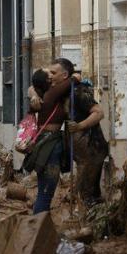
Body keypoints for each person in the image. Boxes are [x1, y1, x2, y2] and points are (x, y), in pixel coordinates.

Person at [24, 58, 79, 214]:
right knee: (46, 194)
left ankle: (39, 230)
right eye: (50, 75)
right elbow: (74, 79)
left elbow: (31, 88)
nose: (52, 77)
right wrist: (75, 77)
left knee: (44, 191)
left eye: (54, 73)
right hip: (50, 146)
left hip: (44, 144)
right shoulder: (52, 93)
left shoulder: (42, 93)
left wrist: (33, 93)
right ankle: (39, 232)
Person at [66, 78, 108, 207]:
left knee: (88, 175)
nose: (50, 77)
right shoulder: (60, 91)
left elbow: (99, 113)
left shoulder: (79, 91)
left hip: (90, 141)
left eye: (53, 73)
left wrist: (80, 126)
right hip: (78, 142)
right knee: (84, 172)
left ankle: (88, 205)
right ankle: (85, 201)